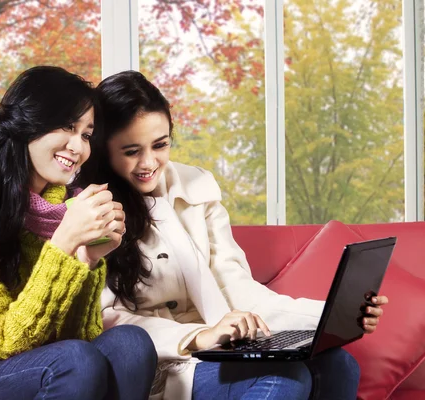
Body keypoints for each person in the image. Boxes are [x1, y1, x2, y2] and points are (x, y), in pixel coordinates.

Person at [75, 70, 389, 400]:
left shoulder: (195, 187)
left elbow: (236, 288)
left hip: (224, 347)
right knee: (286, 380)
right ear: (104, 148)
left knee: (339, 364)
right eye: (131, 151)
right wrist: (200, 336)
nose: (149, 162)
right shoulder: (91, 207)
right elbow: (107, 321)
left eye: (160, 145)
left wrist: (333, 316)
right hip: (163, 359)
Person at [0, 66, 157, 400]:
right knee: (74, 360)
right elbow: (9, 339)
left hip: (37, 368)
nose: (77, 147)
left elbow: (77, 337)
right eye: (67, 126)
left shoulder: (65, 212)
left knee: (130, 345)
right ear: (28, 123)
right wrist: (65, 242)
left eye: (86, 134)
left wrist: (87, 258)